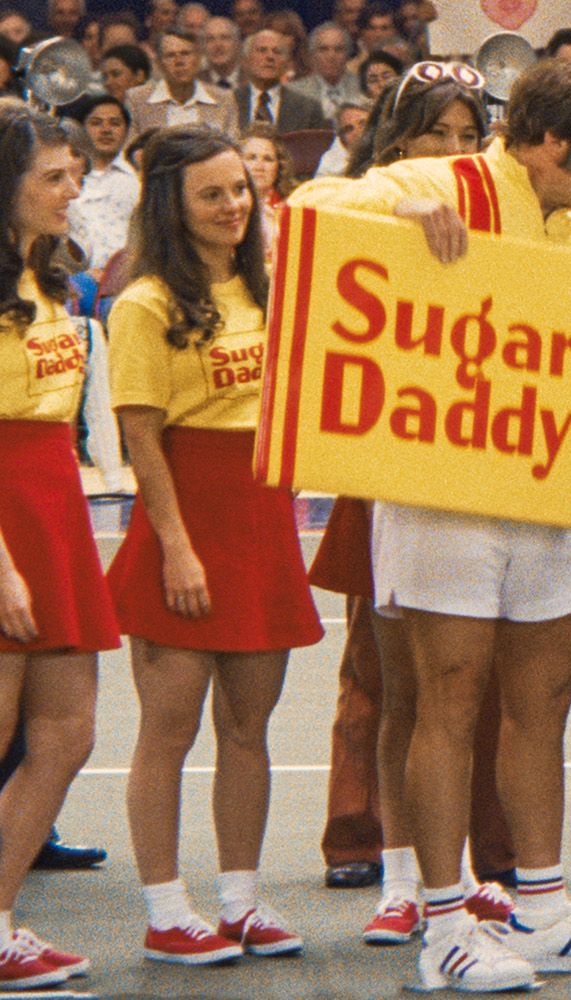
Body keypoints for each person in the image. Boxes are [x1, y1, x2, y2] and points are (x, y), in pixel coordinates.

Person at [287, 58, 571, 993]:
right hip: (437, 495)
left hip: (539, 490)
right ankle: (444, 922)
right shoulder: (434, 180)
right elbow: (300, 213)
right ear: (544, 139)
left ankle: (540, 907)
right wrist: (400, 217)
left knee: (546, 697)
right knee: (447, 699)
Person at [304, 65, 517, 945]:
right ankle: (387, 861)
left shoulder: (503, 204)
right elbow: (305, 204)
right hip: (390, 465)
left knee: (473, 684)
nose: (457, 153)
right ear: (399, 144)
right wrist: (398, 206)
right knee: (384, 679)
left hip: (478, 461)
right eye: (440, 135)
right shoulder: (370, 198)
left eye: (472, 136)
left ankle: (470, 865)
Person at [107, 124, 323, 966]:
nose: (234, 206)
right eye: (212, 193)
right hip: (186, 522)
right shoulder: (144, 301)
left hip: (262, 519)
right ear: (172, 202)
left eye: (241, 189)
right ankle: (166, 911)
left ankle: (240, 900)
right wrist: (175, 546)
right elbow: (140, 436)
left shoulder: (269, 289)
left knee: (249, 726)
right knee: (168, 729)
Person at [0, 106, 112, 991]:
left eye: (76, 175)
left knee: (67, 733)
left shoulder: (52, 282)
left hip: (54, 501)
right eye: (53, 179)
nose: (73, 192)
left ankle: (0, 920)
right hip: (5, 517)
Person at [69, 95, 138, 278]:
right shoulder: (67, 180)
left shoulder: (138, 181)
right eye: (96, 123)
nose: (106, 130)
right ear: (82, 129)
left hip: (125, 278)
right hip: (75, 278)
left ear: (127, 130)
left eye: (115, 123)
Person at [127, 28, 238, 137]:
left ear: (198, 59)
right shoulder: (137, 100)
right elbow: (130, 151)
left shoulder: (224, 100)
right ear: (159, 64)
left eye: (185, 54)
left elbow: (233, 148)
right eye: (170, 55)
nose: (179, 61)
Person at [235, 28, 330, 133]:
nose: (270, 57)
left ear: (287, 63)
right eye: (262, 50)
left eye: (277, 52)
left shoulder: (309, 109)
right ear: (246, 60)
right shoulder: (229, 103)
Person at [297, 23, 364, 119]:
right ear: (312, 55)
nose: (331, 56)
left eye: (338, 49)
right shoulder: (296, 93)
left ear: (348, 55)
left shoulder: (364, 89)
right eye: (323, 49)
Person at [200, 16, 244, 92]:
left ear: (237, 44)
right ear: (203, 47)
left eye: (224, 38)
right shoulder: (194, 83)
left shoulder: (253, 81)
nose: (218, 45)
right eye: (210, 39)